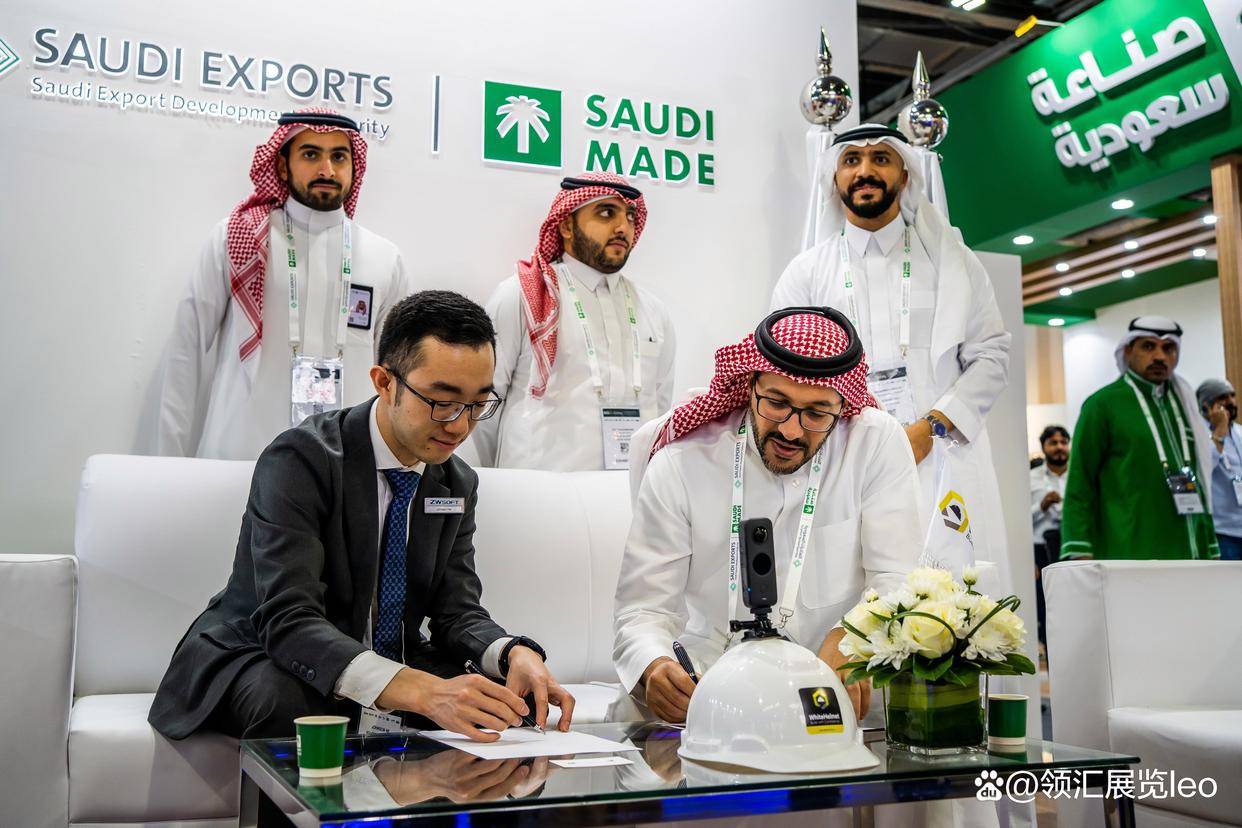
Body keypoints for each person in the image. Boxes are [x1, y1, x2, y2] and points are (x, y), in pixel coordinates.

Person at [149, 291, 575, 740]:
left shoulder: (455, 483)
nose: (459, 425)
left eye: (477, 405)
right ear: (384, 382)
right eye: (441, 401)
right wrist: (419, 690)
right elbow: (289, 619)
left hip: (391, 657)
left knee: (502, 701)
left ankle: (437, 784)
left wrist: (511, 653)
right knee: (294, 702)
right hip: (265, 651)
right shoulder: (301, 459)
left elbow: (457, 611)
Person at [613, 307, 922, 724]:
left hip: (836, 692)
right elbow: (644, 609)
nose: (791, 430)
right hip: (715, 691)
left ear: (842, 405)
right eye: (776, 403)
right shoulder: (684, 461)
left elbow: (898, 579)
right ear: (750, 385)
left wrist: (854, 636)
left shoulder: (874, 445)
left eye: (817, 414)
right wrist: (654, 665)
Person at [769, 124, 1011, 582]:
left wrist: (931, 426)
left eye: (881, 158)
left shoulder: (953, 262)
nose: (865, 171)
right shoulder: (805, 273)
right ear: (834, 179)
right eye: (851, 160)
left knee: (952, 597)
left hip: (940, 453)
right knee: (854, 595)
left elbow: (992, 354)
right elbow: (782, 373)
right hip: (844, 458)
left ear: (905, 175)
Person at [153, 107, 410, 460]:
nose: (327, 170)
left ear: (355, 166)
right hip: (242, 455)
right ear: (282, 165)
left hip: (345, 464)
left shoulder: (385, 258)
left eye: (339, 156)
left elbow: (398, 377)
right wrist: (166, 462)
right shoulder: (240, 239)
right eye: (311, 154)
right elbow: (187, 351)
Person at [469, 172, 676, 471]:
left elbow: (661, 403)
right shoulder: (524, 295)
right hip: (537, 488)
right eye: (606, 213)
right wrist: (495, 481)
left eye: (630, 216)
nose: (623, 227)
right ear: (566, 226)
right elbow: (483, 402)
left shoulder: (653, 311)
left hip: (628, 490)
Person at [1062, 317, 1217, 560]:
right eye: (1148, 346)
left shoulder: (1185, 406)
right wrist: (1080, 550)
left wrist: (1209, 545)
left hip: (1190, 552)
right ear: (1128, 350)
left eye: (1168, 348)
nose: (1160, 356)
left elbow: (1201, 482)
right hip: (1128, 552)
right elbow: (1080, 483)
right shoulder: (1102, 405)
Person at [1030, 425, 1069, 644]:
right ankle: (1050, 651)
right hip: (1041, 551)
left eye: (1063, 442)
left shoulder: (1079, 476)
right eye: (1053, 443)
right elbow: (1020, 520)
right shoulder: (1031, 478)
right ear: (1044, 447)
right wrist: (1041, 505)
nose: (1059, 447)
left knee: (1074, 603)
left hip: (1070, 549)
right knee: (1045, 605)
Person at [1198, 379, 1242, 560]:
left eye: (1232, 395)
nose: (1231, 401)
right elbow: (1203, 469)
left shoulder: (1239, 432)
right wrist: (1220, 430)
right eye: (1222, 397)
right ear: (1206, 405)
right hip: (1222, 531)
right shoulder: (1199, 434)